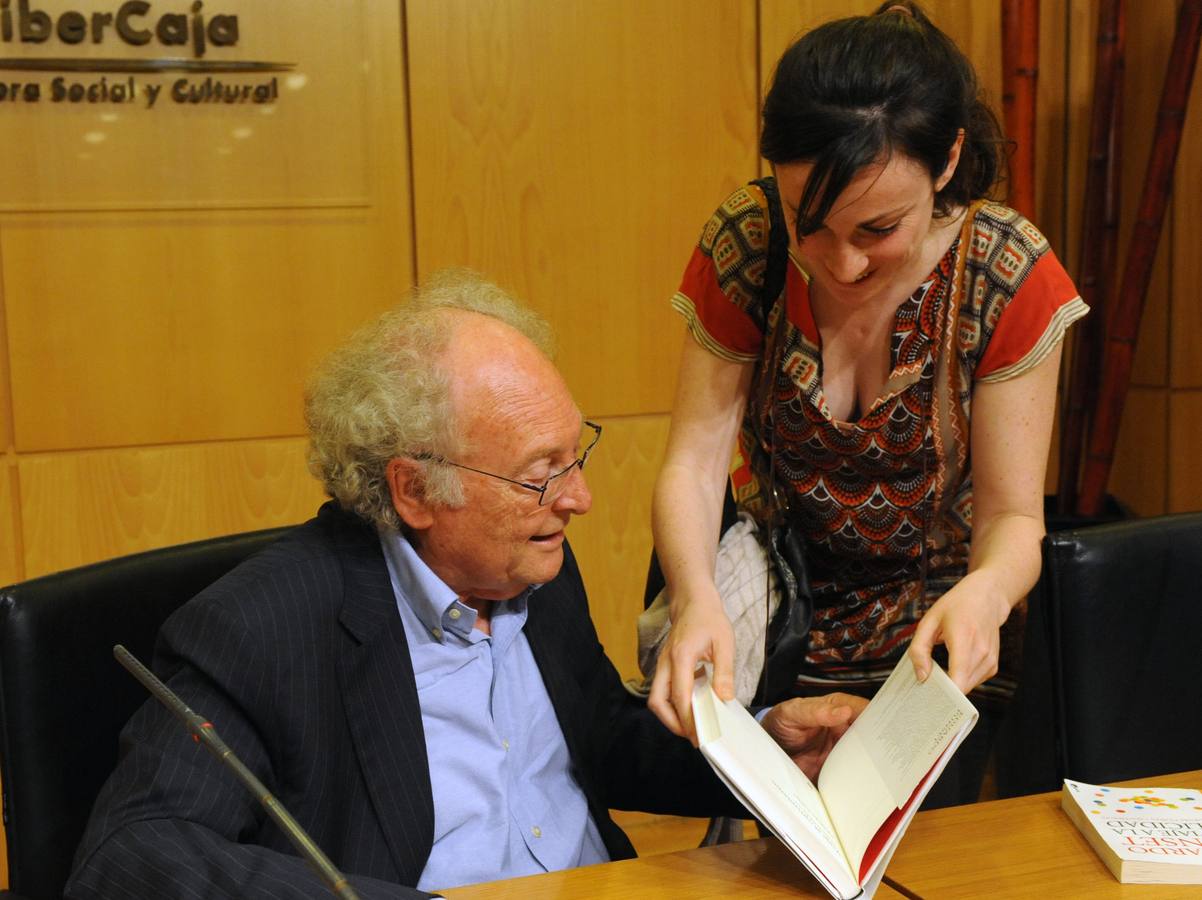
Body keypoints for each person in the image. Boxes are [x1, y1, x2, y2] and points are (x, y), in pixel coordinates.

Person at [67, 270, 867, 899]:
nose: (578, 500)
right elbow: (129, 853)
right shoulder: (265, 625)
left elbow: (592, 738)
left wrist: (760, 748)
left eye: (572, 457)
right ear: (415, 490)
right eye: (537, 476)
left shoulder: (532, 565)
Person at [647, 1, 1088, 806]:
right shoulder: (747, 241)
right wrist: (694, 597)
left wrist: (985, 595)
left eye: (878, 228)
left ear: (948, 158)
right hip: (781, 630)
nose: (842, 264)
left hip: (939, 649)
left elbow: (1014, 521)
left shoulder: (1005, 272)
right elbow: (694, 461)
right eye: (807, 224)